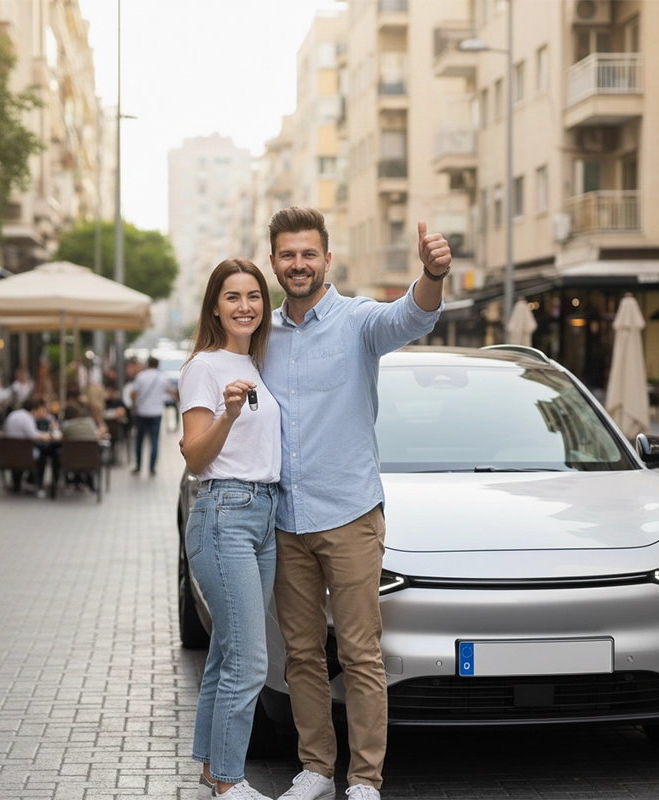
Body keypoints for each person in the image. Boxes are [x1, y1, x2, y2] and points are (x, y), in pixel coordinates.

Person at [264, 207, 451, 800]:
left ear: (326, 257)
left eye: (308, 253)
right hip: (285, 519)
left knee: (360, 653)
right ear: (274, 261)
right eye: (288, 254)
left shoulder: (357, 321)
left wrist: (432, 276)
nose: (299, 264)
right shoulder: (260, 335)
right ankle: (316, 769)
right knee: (300, 655)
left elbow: (411, 316)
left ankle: (365, 778)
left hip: (349, 516)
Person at [178, 258, 281, 800]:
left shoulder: (260, 364)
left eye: (254, 296)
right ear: (214, 306)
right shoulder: (204, 368)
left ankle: (210, 767)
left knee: (226, 651)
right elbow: (195, 457)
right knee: (249, 658)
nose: (245, 306)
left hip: (264, 515)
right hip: (225, 514)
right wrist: (228, 415)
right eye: (233, 296)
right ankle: (229, 779)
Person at [2, 396, 58, 496]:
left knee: (38, 450)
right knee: (42, 453)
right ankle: (35, 483)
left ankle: (21, 482)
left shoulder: (14, 414)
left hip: (8, 452)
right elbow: (35, 436)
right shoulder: (27, 418)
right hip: (23, 453)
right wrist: (51, 435)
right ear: (35, 409)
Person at [130, 356, 169, 475]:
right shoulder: (162, 377)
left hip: (142, 412)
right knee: (154, 440)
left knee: (139, 440)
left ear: (148, 364)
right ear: (157, 364)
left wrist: (134, 405)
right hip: (156, 413)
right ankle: (152, 467)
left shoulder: (141, 376)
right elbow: (169, 390)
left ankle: (138, 465)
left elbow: (134, 393)